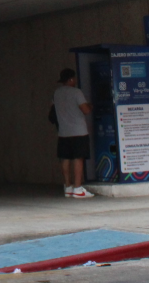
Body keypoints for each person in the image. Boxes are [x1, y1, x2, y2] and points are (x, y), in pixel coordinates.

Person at [52, 68, 94, 198]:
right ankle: (78, 188)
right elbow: (86, 110)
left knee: (65, 158)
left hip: (63, 132)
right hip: (78, 131)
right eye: (74, 78)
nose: (75, 80)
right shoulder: (76, 92)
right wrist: (91, 105)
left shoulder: (56, 93)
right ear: (71, 79)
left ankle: (68, 187)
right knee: (78, 158)